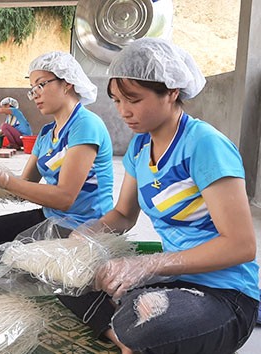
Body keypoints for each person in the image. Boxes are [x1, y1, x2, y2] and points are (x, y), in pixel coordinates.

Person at [58, 38, 259, 354]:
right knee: (67, 280)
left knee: (144, 324)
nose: (124, 111)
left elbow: (242, 245)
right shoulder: (139, 148)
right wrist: (85, 236)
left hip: (225, 294)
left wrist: (151, 264)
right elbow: (124, 214)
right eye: (116, 100)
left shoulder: (204, 145)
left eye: (134, 100)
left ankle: (128, 333)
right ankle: (126, 337)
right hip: (175, 281)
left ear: (173, 92)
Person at [0, 51, 114, 256]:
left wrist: (2, 178)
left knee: (9, 263)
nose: (34, 94)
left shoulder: (85, 125)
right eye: (32, 89)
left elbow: (65, 198)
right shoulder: (47, 133)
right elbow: (22, 187)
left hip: (84, 226)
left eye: (41, 84)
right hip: (52, 216)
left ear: (67, 83)